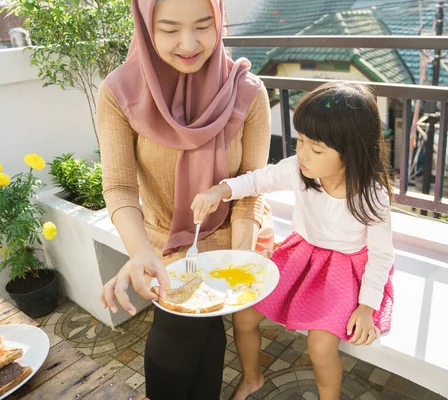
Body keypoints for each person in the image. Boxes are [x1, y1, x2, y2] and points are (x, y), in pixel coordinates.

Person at [96, 0, 273, 398]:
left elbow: (251, 188)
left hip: (232, 238)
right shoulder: (119, 93)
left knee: (196, 329)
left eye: (203, 25)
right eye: (170, 28)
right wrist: (140, 251)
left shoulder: (247, 92)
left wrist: (238, 261)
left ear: (220, 20)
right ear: (145, 26)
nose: (189, 43)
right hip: (164, 244)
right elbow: (120, 186)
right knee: (181, 334)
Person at [192, 82, 395, 400]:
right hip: (301, 254)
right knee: (244, 315)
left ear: (352, 151)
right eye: (301, 141)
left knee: (321, 345)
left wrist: (367, 306)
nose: (301, 154)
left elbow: (382, 254)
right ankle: (251, 378)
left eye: (316, 149)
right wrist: (220, 191)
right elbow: (259, 179)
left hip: (346, 268)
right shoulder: (299, 170)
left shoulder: (372, 194)